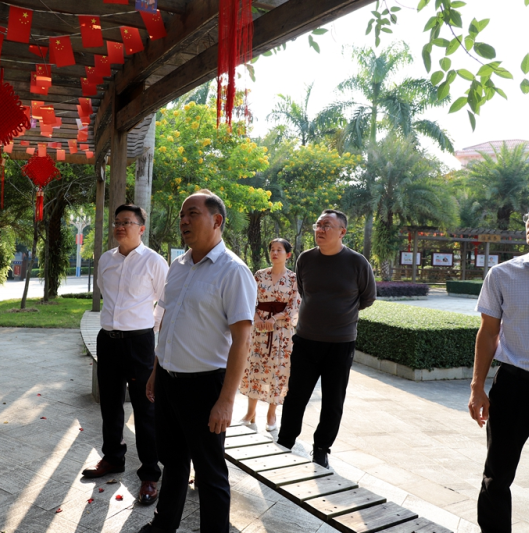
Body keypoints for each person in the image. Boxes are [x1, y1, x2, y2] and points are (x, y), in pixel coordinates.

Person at [139, 190, 256, 533]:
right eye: (181, 215)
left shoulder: (233, 271)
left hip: (205, 386)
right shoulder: (177, 266)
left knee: (209, 472)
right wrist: (156, 371)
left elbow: (242, 340)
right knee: (173, 461)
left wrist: (226, 401)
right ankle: (164, 525)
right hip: (168, 380)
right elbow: (168, 322)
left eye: (192, 214)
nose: (184, 221)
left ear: (217, 221)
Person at [469, 188, 529, 532]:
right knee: (497, 475)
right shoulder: (503, 274)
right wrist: (477, 387)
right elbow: (488, 332)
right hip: (513, 386)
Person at [81, 204, 168, 506]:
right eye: (117, 222)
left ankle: (150, 472)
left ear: (141, 228)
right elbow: (105, 292)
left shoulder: (154, 261)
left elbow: (165, 301)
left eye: (127, 222)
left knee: (145, 408)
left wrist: (149, 329)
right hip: (108, 340)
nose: (120, 226)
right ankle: (113, 458)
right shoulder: (106, 259)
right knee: (110, 403)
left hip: (139, 342)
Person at [276, 209, 376, 468]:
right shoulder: (306, 259)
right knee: (295, 396)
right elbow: (303, 290)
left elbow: (367, 297)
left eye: (327, 225)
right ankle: (285, 441)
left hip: (340, 343)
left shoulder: (357, 263)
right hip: (306, 340)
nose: (320, 230)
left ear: (342, 232)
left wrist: (342, 313)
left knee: (333, 401)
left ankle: (321, 448)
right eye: (318, 225)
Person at [238, 238, 301, 431]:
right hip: (259, 329)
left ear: (288, 255)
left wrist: (275, 318)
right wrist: (257, 317)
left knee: (278, 371)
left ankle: (271, 414)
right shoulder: (259, 275)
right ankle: (250, 412)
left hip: (281, 332)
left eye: (279, 250)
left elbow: (294, 304)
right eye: (272, 249)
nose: (274, 253)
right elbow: (249, 299)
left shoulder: (293, 279)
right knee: (255, 367)